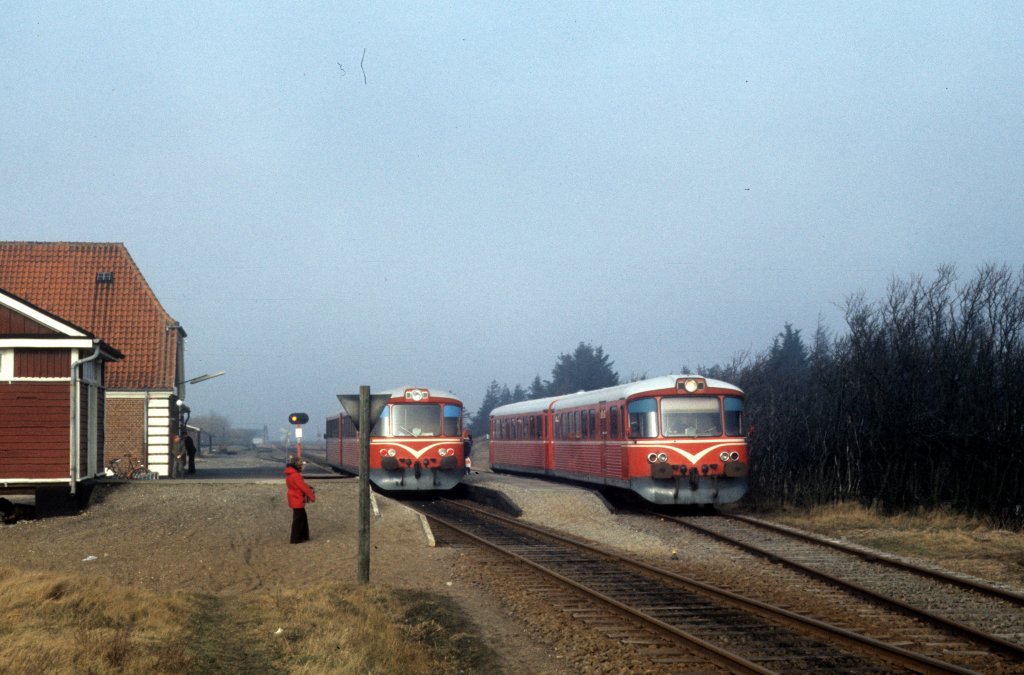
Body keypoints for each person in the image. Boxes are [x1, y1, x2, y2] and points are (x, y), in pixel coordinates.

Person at [284, 455, 315, 544]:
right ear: (298, 465)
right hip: (297, 499)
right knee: (298, 520)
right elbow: (303, 488)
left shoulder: (290, 475)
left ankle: (304, 536)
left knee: (302, 518)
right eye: (301, 465)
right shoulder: (296, 476)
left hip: (293, 498)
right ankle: (296, 539)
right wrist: (312, 496)